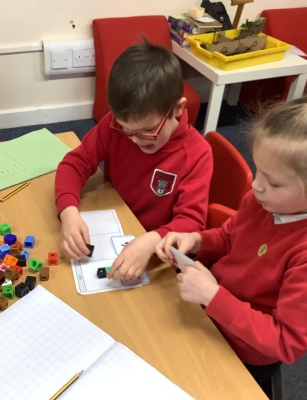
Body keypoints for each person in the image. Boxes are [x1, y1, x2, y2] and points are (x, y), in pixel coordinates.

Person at [156, 93, 307, 398]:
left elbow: (287, 342)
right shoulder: (264, 200)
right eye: (258, 170)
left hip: (243, 352)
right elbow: (230, 237)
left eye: (273, 182)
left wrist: (213, 296)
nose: (255, 185)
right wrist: (197, 241)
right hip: (208, 313)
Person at [55, 39, 213, 281]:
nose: (135, 139)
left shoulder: (197, 153)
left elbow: (191, 222)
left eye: (147, 131)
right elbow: (74, 164)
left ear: (178, 108)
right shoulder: (113, 125)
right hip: (116, 226)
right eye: (126, 129)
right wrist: (69, 213)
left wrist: (152, 239)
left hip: (156, 253)